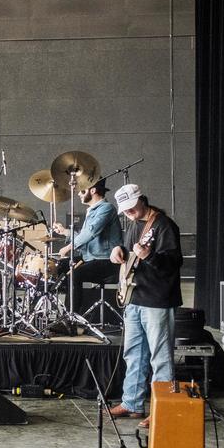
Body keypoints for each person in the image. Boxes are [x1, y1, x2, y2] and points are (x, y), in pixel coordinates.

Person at [107, 183, 183, 428]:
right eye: (125, 210)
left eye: (131, 208)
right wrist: (118, 251)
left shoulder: (164, 226)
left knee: (160, 357)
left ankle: (163, 409)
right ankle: (132, 402)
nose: (128, 213)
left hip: (157, 300)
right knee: (134, 354)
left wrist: (149, 255)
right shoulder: (133, 224)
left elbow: (174, 263)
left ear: (142, 200)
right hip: (134, 297)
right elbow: (129, 254)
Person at [52, 178, 124, 313]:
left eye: (81, 191)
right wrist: (65, 232)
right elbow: (84, 234)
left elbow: (91, 232)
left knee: (75, 275)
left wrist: (69, 247)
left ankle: (72, 319)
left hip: (107, 260)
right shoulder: (92, 210)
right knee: (57, 267)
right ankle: (56, 313)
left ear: (93, 190)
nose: (78, 194)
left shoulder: (107, 208)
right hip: (90, 258)